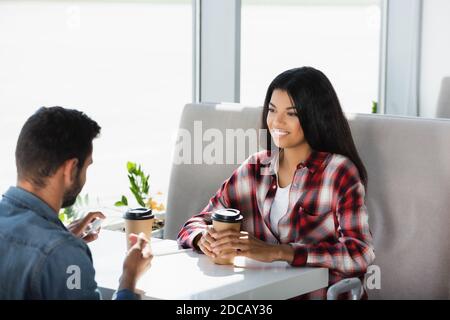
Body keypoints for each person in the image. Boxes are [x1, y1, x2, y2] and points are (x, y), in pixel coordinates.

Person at [177, 67, 376, 299]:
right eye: (272, 110)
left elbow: (360, 254)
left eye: (291, 113)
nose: (277, 121)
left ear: (314, 116)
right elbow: (195, 224)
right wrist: (204, 238)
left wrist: (279, 252)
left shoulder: (338, 172)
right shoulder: (255, 169)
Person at [0, 106, 152, 299]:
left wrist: (61, 238)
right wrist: (129, 278)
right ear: (71, 169)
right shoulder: (64, 254)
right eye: (87, 166)